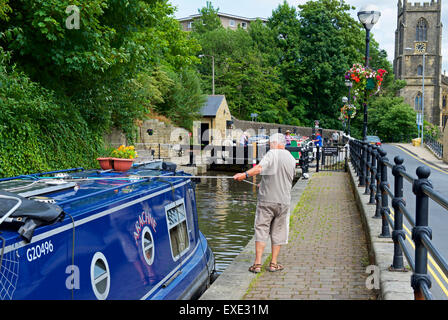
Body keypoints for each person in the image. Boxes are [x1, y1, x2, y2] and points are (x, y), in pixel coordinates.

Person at [233, 133, 296, 273]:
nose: (269, 145)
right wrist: (263, 183)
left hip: (267, 201)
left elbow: (259, 168)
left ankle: (257, 264)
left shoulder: (272, 153)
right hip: (284, 201)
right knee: (279, 232)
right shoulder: (291, 158)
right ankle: (273, 264)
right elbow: (285, 178)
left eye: (270, 143)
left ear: (275, 143)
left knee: (261, 229)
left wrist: (244, 175)